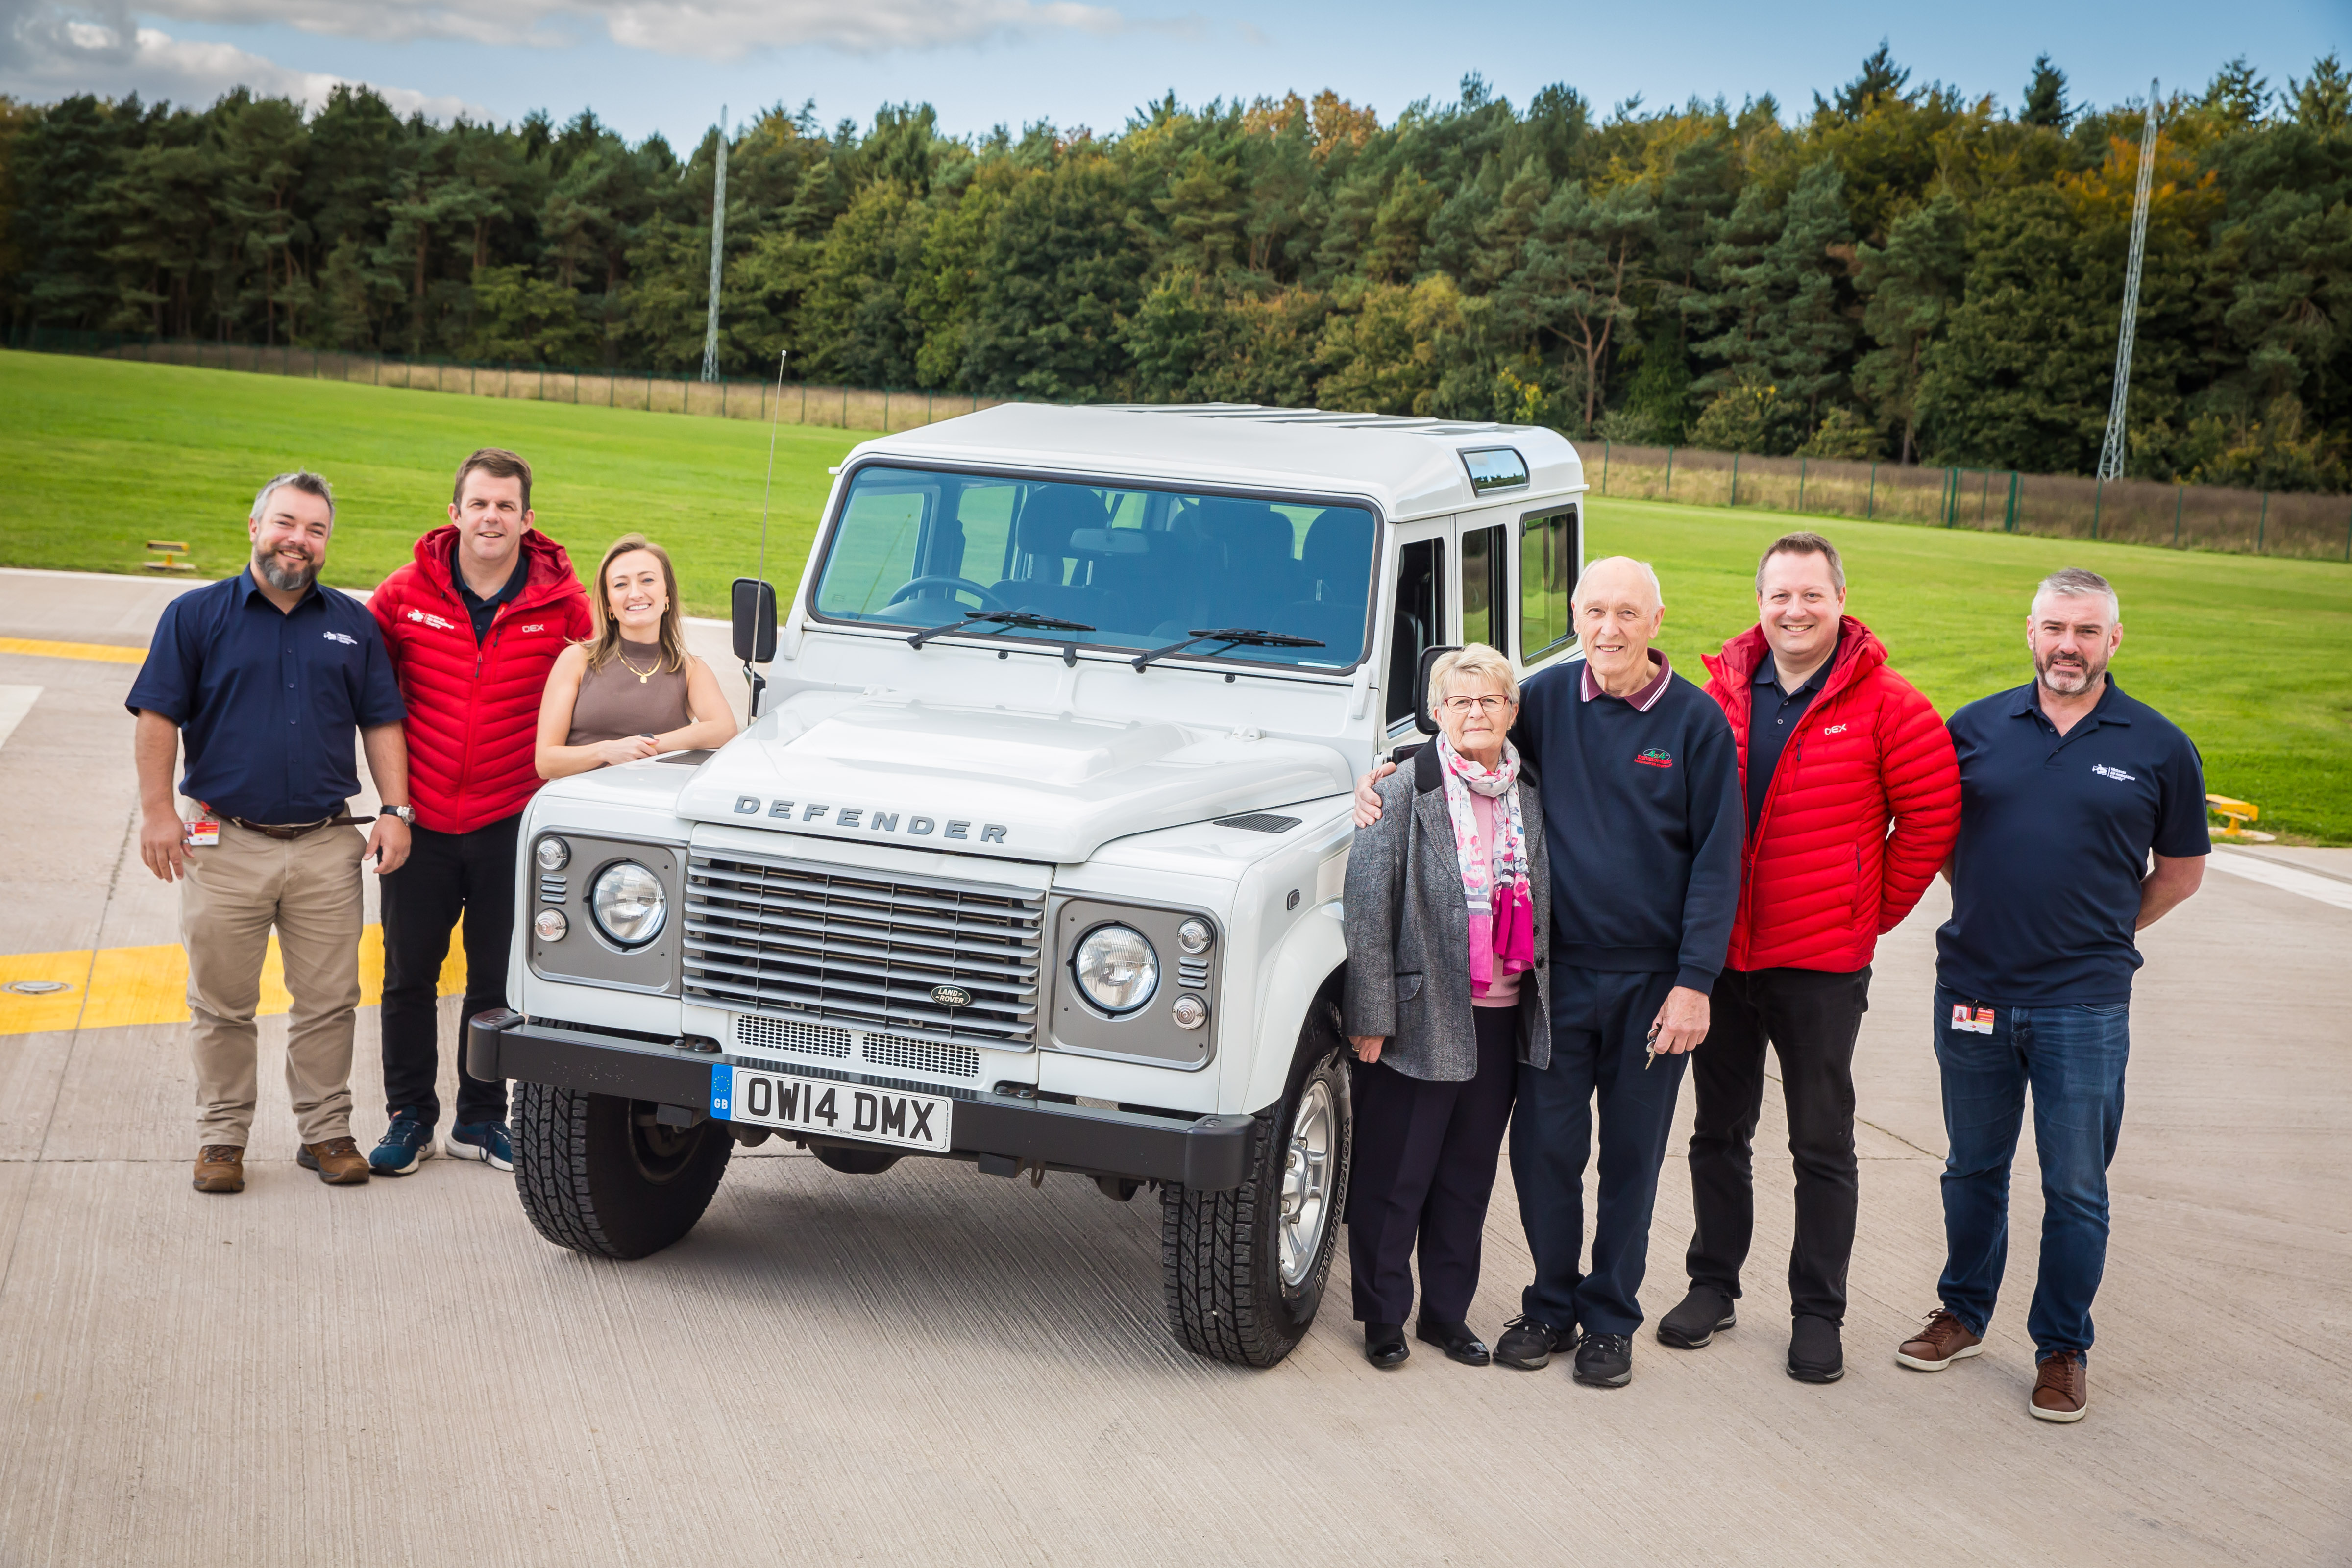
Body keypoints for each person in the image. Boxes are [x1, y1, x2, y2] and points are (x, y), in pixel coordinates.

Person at [1355, 557, 1743, 1388]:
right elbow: (1469, 739)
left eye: (1628, 613)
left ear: (1657, 621)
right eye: (1595, 611)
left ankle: (1610, 1320)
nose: (1609, 629)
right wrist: (1384, 776)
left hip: (1653, 988)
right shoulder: (1548, 702)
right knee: (1544, 1154)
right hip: (1554, 983)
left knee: (1630, 1162)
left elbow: (1719, 863)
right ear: (1574, 615)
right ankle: (1550, 1306)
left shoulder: (1696, 724)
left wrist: (1696, 982)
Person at [1896, 567, 2205, 1424]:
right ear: (2031, 633)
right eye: (2055, 629)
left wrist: (2102, 931)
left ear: (2114, 641)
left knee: (2074, 1186)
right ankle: (1963, 1313)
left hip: (2085, 1005)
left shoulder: (2159, 745)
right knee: (1972, 1168)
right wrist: (1991, 905)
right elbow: (1939, 839)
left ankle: (2062, 1347)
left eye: (2087, 631)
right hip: (1975, 991)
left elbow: (2180, 873)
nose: (2069, 646)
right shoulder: (1973, 729)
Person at [1657, 533, 1961, 1384]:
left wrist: (1864, 915)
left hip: (1821, 965)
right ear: (1760, 602)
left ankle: (1818, 1312)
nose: (1795, 611)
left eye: (1811, 595)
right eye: (1780, 595)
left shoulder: (1890, 706)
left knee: (1821, 1142)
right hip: (1723, 962)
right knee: (1719, 1131)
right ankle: (1713, 1285)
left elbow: (1932, 818)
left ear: (1840, 600)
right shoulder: (1719, 695)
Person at [127, 471, 413, 1193]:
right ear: (255, 527)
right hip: (226, 842)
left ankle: (326, 1132)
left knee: (330, 1001)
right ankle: (222, 1138)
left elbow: (382, 720)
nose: (299, 540)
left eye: (316, 529)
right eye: (287, 522)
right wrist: (159, 812)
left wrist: (395, 808)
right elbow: (158, 715)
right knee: (221, 1004)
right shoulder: (194, 616)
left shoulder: (354, 623)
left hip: (325, 844)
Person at [366, 449, 593, 1177]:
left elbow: (605, 693)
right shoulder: (402, 595)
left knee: (496, 982)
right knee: (408, 976)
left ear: (528, 520)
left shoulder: (565, 606)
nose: (491, 516)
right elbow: (360, 692)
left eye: (505, 506)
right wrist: (391, 806)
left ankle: (482, 1117)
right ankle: (410, 1115)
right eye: (479, 503)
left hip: (511, 822)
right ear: (455, 512)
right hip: (420, 819)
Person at [1341, 644, 1551, 1371]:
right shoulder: (1402, 788)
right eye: (1460, 701)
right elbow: (1367, 908)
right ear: (1436, 713)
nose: (1475, 713)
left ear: (1512, 711)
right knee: (1396, 1175)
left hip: (1502, 1015)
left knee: (1466, 1177)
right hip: (1418, 1015)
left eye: (1489, 699)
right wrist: (1371, 1017)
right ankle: (1383, 1315)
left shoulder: (1530, 792)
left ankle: (1445, 1315)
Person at [536, 533, 737, 779]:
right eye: (621, 585)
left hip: (652, 799)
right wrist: (606, 751)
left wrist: (643, 746)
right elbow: (546, 762)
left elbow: (724, 729)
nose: (635, 593)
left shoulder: (690, 669)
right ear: (608, 605)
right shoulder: (577, 660)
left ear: (667, 595)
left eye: (647, 580)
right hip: (577, 799)